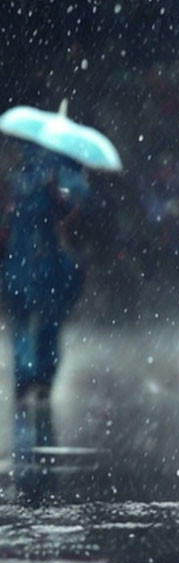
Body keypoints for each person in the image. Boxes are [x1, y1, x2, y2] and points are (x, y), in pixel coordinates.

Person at [1, 141, 89, 403]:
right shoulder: (54, 178)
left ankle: (31, 376)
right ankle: (37, 376)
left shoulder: (29, 179)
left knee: (31, 321)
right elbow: (72, 212)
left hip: (30, 262)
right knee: (40, 321)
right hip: (37, 262)